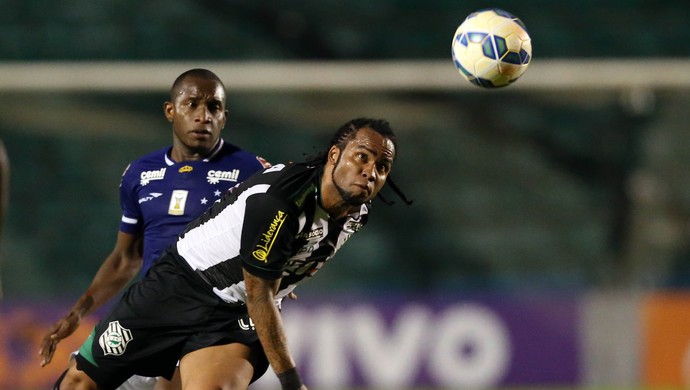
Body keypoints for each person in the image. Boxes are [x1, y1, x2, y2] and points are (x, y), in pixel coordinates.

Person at [55, 117, 411, 390]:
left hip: (235, 315)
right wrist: (291, 383)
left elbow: (272, 280)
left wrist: (281, 275)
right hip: (180, 286)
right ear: (334, 155)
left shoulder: (356, 214)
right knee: (79, 384)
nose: (370, 172)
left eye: (382, 168)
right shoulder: (281, 202)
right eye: (361, 157)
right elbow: (260, 293)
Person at [39, 68, 270, 389]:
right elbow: (125, 258)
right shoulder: (139, 173)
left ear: (224, 117)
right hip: (153, 309)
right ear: (170, 110)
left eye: (213, 107)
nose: (203, 116)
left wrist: (278, 275)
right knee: (75, 382)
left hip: (216, 316)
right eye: (192, 105)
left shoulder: (252, 171)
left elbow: (278, 235)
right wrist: (79, 312)